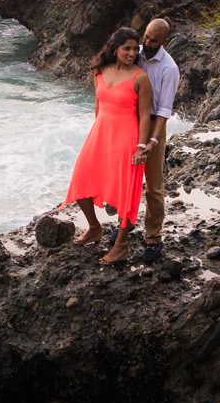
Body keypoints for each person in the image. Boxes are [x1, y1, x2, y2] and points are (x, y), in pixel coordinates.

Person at [62, 26, 153, 264]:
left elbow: (144, 115)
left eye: (135, 49)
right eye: (127, 48)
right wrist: (97, 132)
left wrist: (141, 147)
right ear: (115, 48)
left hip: (127, 137)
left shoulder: (140, 77)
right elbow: (98, 104)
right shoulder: (99, 70)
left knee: (126, 192)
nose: (132, 53)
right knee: (81, 181)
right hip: (100, 133)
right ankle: (94, 228)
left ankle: (122, 244)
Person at [134, 17, 178, 265]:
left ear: (165, 41)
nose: (147, 43)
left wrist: (152, 139)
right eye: (146, 37)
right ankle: (124, 225)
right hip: (129, 122)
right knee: (128, 180)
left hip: (153, 124)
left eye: (153, 40)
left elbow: (164, 110)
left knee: (153, 184)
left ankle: (153, 238)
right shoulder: (135, 53)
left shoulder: (169, 68)